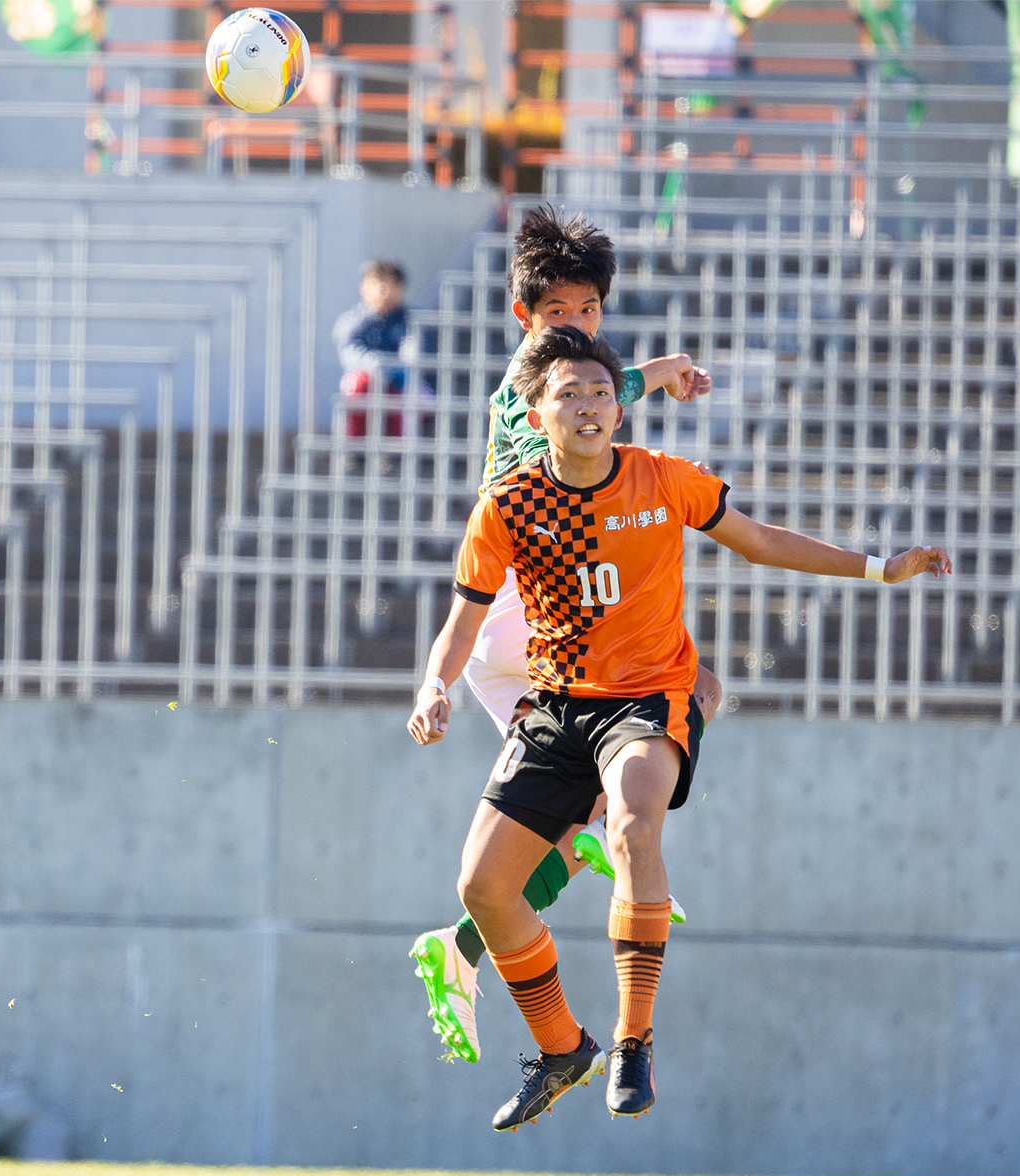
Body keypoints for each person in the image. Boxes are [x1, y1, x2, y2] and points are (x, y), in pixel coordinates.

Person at [408, 324, 950, 1128]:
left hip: (648, 699)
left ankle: (633, 1040)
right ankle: (564, 1049)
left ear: (619, 412)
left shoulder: (664, 480)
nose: (588, 406)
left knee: (632, 827)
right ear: (538, 412)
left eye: (600, 392)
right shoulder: (510, 505)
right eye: (569, 394)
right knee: (483, 889)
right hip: (556, 707)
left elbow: (760, 541)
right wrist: (433, 685)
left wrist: (880, 567)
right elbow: (465, 617)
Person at [408, 206, 716, 1066]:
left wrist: (658, 378)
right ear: (526, 322)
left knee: (552, 822)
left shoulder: (574, 384)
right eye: (558, 315)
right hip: (527, 610)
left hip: (529, 623)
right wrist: (663, 372)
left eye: (587, 312)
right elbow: (592, 401)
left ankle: (462, 950)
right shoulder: (529, 386)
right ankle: (607, 842)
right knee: (681, 704)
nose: (574, 327)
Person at [334, 260, 415, 438]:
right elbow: (350, 354)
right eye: (376, 282)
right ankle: (354, 450)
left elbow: (415, 357)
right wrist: (375, 369)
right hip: (367, 383)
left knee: (410, 393)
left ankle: (397, 453)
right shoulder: (351, 321)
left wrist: (390, 372)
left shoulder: (413, 321)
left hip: (402, 384)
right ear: (362, 287)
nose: (383, 289)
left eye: (390, 283)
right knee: (358, 386)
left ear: (401, 288)